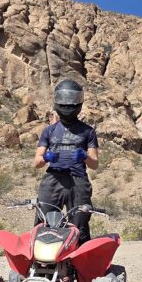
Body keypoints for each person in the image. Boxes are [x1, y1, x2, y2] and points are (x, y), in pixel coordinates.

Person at [33, 80, 99, 242]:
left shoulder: (88, 131)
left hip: (78, 182)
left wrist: (84, 156)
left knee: (80, 225)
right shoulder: (49, 131)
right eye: (64, 99)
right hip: (53, 180)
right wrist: (47, 158)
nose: (68, 104)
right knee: (43, 223)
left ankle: (81, 265)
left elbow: (94, 163)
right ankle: (39, 264)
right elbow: (37, 162)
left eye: (71, 100)